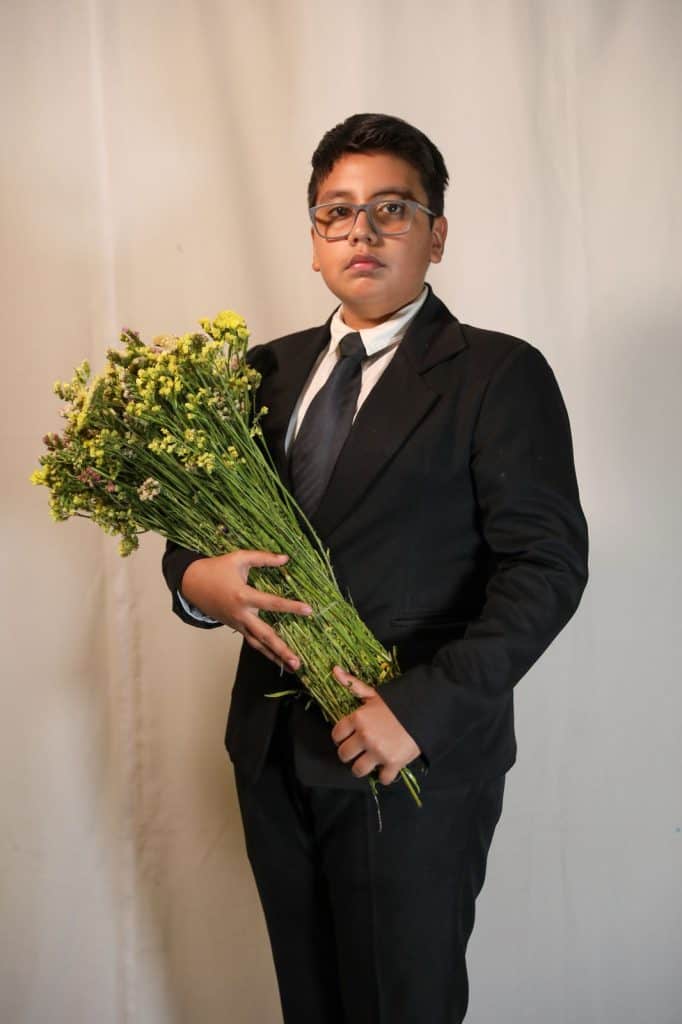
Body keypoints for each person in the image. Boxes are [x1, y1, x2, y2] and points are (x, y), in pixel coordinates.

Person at [162, 113, 588, 1023]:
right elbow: (191, 531)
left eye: (391, 209)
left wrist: (419, 712)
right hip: (270, 751)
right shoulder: (260, 374)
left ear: (437, 234)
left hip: (407, 754)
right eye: (337, 211)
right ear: (314, 237)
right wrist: (197, 585)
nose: (362, 230)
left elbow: (546, 568)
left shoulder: (497, 373)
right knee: (310, 1004)